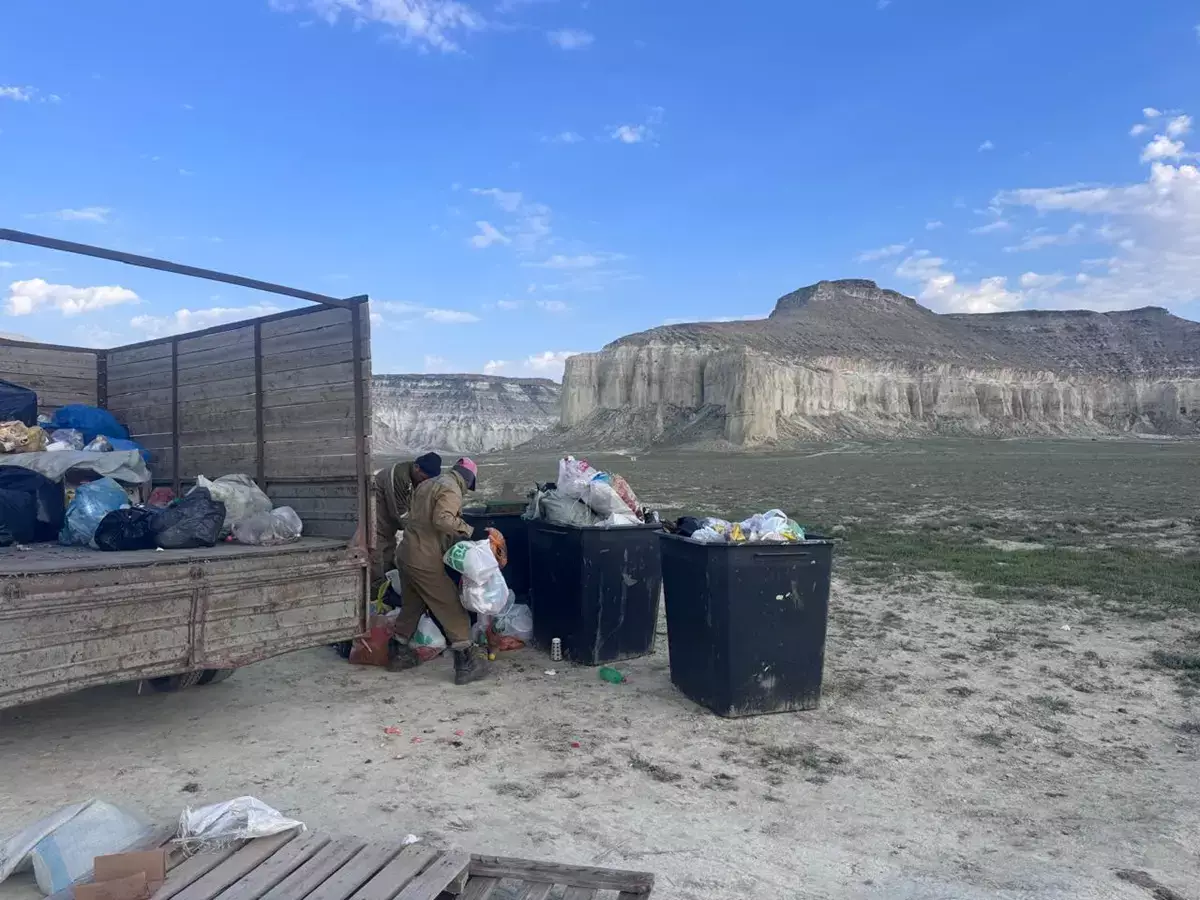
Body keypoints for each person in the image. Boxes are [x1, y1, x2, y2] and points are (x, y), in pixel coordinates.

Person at [391, 457, 489, 684]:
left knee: (412, 605)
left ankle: (398, 652)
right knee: (451, 605)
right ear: (467, 479)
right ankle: (466, 663)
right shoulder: (451, 488)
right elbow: (443, 519)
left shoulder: (428, 483)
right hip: (424, 558)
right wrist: (469, 531)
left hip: (406, 553)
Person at [371, 453, 441, 593]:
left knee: (388, 554)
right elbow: (399, 513)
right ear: (416, 468)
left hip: (388, 525)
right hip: (375, 520)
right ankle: (376, 594)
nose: (424, 482)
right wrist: (422, 531)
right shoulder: (399, 476)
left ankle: (388, 589)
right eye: (423, 478)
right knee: (376, 555)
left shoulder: (415, 478)